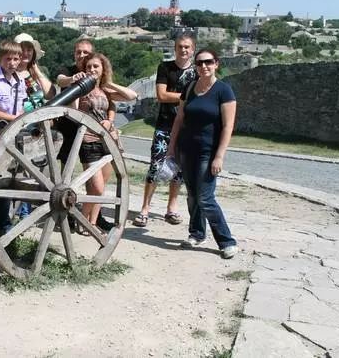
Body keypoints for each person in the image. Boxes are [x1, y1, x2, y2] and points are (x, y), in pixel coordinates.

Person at [167, 49, 238, 259]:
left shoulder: (224, 90)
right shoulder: (190, 88)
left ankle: (226, 241)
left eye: (208, 62)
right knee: (192, 196)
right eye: (199, 63)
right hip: (187, 149)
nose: (204, 66)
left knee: (205, 198)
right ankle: (197, 233)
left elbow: (228, 126)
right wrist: (172, 147)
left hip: (209, 152)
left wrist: (220, 156)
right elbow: (179, 119)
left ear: (216, 64)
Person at [133, 34, 197, 228]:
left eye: (187, 47)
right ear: (175, 48)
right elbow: (161, 95)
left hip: (187, 128)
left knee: (179, 171)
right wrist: (187, 97)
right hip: (165, 126)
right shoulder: (165, 68)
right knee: (155, 167)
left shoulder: (197, 72)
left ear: (193, 49)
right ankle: (145, 208)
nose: (183, 50)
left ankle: (171, 208)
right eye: (180, 47)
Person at [72, 52, 137, 234]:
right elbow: (73, 111)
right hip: (88, 140)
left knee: (102, 187)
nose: (92, 70)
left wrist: (107, 84)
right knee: (97, 189)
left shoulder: (106, 91)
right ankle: (82, 221)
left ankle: (92, 224)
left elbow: (132, 95)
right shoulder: (82, 88)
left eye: (96, 66)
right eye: (89, 67)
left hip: (107, 142)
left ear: (103, 69)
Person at [55, 38, 116, 231]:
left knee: (99, 181)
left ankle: (93, 219)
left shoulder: (99, 78)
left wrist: (111, 120)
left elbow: (112, 101)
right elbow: (60, 80)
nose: (81, 56)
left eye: (85, 53)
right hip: (73, 130)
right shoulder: (71, 70)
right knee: (68, 176)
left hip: (98, 134)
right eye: (78, 52)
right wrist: (74, 80)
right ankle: (72, 214)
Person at [12, 32, 55, 218]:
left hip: (36, 127)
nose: (27, 53)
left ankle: (27, 212)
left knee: (34, 172)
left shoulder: (35, 74)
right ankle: (18, 211)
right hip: (16, 125)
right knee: (17, 171)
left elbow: (50, 94)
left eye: (30, 49)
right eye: (23, 49)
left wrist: (36, 72)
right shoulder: (9, 72)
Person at [0, 40, 26, 232]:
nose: (12, 62)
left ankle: (4, 219)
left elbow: (22, 107)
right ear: (0, 59)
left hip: (14, 133)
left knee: (10, 175)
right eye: (8, 58)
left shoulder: (20, 81)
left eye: (15, 59)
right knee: (1, 175)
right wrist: (14, 118)